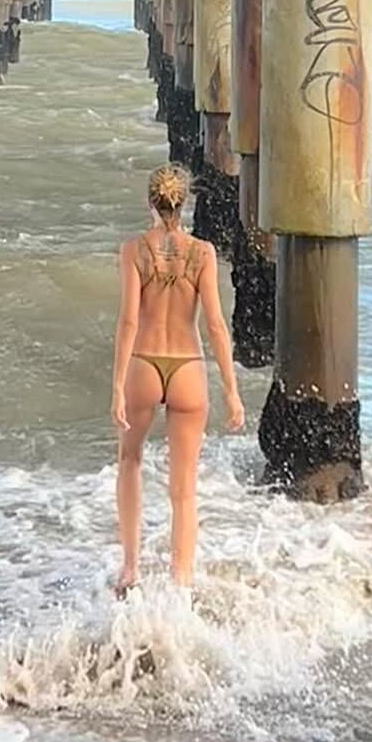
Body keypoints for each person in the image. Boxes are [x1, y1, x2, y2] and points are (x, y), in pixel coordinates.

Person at [110, 163, 244, 594]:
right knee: (184, 489)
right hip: (187, 366)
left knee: (130, 462)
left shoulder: (134, 250)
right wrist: (231, 391)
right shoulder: (201, 253)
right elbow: (217, 326)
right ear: (183, 203)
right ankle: (180, 582)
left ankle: (130, 570)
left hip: (146, 363)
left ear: (150, 202)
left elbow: (129, 321)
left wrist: (117, 385)